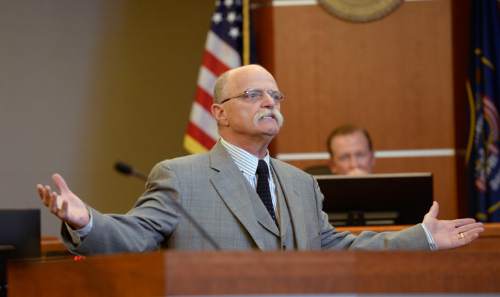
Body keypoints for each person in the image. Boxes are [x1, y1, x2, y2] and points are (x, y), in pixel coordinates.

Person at [37, 64, 483, 254]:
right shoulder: (180, 176)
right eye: (254, 94)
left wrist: (420, 237)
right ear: (219, 112)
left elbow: (339, 248)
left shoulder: (300, 183)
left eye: (275, 94)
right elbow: (133, 237)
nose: (269, 101)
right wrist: (85, 221)